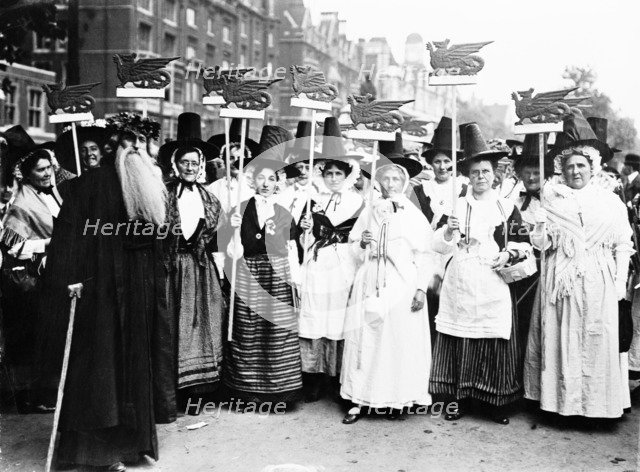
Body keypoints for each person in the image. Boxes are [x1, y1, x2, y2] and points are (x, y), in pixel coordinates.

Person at [39, 130, 170, 470]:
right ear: (117, 152)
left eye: (140, 147)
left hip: (134, 295)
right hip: (99, 295)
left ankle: (131, 445)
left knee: (131, 370)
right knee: (101, 374)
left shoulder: (143, 184)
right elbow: (68, 238)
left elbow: (155, 237)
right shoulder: (89, 185)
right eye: (131, 147)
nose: (139, 153)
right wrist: (69, 278)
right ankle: (96, 454)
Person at [525, 114, 634, 419]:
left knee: (597, 341)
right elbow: (542, 246)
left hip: (599, 277)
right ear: (561, 168)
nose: (575, 171)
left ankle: (597, 407)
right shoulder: (552, 199)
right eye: (570, 166)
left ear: (592, 167)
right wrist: (542, 228)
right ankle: (563, 406)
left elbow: (623, 244)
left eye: (581, 166)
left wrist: (618, 285)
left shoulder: (609, 201)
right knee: (564, 339)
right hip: (561, 280)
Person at [429, 124, 532, 425]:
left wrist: (508, 253)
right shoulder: (456, 204)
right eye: (475, 173)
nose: (481, 177)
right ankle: (457, 399)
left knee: (491, 337)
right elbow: (436, 244)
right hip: (461, 277)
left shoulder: (506, 206)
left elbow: (523, 241)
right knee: (461, 336)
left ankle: (493, 403)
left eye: (486, 171)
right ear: (468, 175)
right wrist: (448, 231)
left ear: (495, 173)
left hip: (492, 278)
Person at [340, 157, 433, 424]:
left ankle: (394, 398)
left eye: (396, 179)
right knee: (366, 339)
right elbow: (353, 249)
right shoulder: (370, 211)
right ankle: (358, 398)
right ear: (379, 181)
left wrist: (420, 289)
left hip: (400, 282)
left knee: (396, 341)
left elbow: (424, 255)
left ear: (404, 183)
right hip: (370, 279)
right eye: (386, 178)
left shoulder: (414, 216)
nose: (391, 184)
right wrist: (362, 243)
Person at [158, 113, 225, 413]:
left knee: (202, 326)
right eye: (185, 162)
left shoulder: (210, 199)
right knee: (172, 327)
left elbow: (216, 239)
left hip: (200, 270)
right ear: (175, 164)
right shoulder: (162, 195)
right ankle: (171, 392)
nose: (190, 168)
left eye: (195, 164)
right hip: (171, 268)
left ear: (201, 167)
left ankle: (198, 392)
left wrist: (221, 271)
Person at [223, 158, 303, 406]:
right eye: (261, 178)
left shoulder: (283, 211)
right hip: (248, 272)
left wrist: (295, 281)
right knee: (248, 330)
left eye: (271, 179)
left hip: (277, 274)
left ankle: (279, 392)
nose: (266, 184)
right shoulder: (239, 209)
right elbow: (231, 253)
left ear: (278, 182)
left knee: (276, 331)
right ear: (252, 180)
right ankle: (247, 392)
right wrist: (231, 229)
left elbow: (292, 250)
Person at [297, 118, 364, 402]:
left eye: (339, 173)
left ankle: (336, 376)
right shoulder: (314, 200)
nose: (333, 178)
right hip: (317, 263)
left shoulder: (358, 202)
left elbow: (360, 238)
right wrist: (305, 232)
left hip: (344, 263)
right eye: (329, 173)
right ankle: (313, 375)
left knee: (338, 317)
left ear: (347, 174)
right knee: (315, 315)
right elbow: (305, 241)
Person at [0, 148, 63, 413]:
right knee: (36, 337)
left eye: (49, 167)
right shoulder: (21, 204)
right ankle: (34, 396)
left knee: (53, 335)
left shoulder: (57, 193)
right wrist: (51, 243)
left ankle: (52, 390)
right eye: (40, 170)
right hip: (30, 280)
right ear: (28, 175)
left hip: (56, 274)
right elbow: (13, 246)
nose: (47, 173)